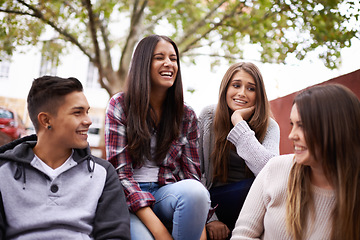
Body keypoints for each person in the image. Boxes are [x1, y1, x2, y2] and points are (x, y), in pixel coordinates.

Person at [105, 34, 210, 240]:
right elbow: (120, 175)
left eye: (173, 58)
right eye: (159, 57)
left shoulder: (186, 114)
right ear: (143, 63)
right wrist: (162, 234)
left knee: (196, 192)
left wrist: (202, 229)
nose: (168, 63)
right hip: (128, 199)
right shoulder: (120, 105)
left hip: (167, 193)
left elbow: (192, 176)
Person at [0, 76, 131, 239]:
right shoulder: (3, 172)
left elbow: (114, 235)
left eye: (87, 112)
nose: (88, 121)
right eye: (78, 112)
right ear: (46, 120)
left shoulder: (103, 173)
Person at [231, 84, 360, 240]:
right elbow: (242, 235)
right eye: (292, 124)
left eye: (302, 126)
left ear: (336, 129)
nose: (292, 135)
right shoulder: (275, 168)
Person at [198, 62, 280, 239]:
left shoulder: (270, 126)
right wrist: (210, 218)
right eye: (236, 85)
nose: (242, 93)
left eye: (251, 88)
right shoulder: (208, 117)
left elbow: (271, 174)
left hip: (253, 204)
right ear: (225, 88)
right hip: (213, 201)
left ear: (259, 94)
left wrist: (239, 124)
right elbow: (195, 173)